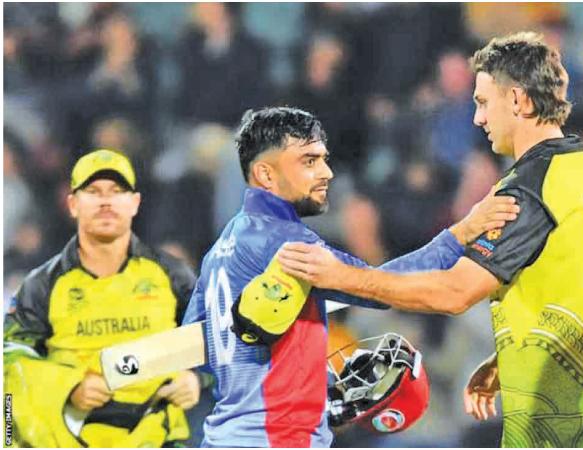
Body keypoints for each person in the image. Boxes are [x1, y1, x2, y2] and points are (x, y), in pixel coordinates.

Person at [277, 32, 583, 447]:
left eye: (484, 102)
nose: (478, 118)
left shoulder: (527, 190)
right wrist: (507, 359)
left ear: (519, 101)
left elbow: (454, 293)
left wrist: (342, 277)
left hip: (556, 424)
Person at [180, 106, 519, 447]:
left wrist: (307, 380)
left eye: (323, 159)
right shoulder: (287, 241)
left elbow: (200, 352)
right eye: (309, 161)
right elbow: (379, 287)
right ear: (266, 175)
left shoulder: (222, 247)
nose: (326, 172)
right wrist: (461, 233)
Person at [4, 149, 205, 447]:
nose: (106, 201)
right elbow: (10, 362)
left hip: (157, 438)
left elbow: (218, 342)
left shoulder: (173, 276)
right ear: (72, 204)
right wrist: (68, 388)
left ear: (135, 203)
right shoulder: (41, 286)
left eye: (117, 191)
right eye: (93, 191)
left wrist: (197, 380)